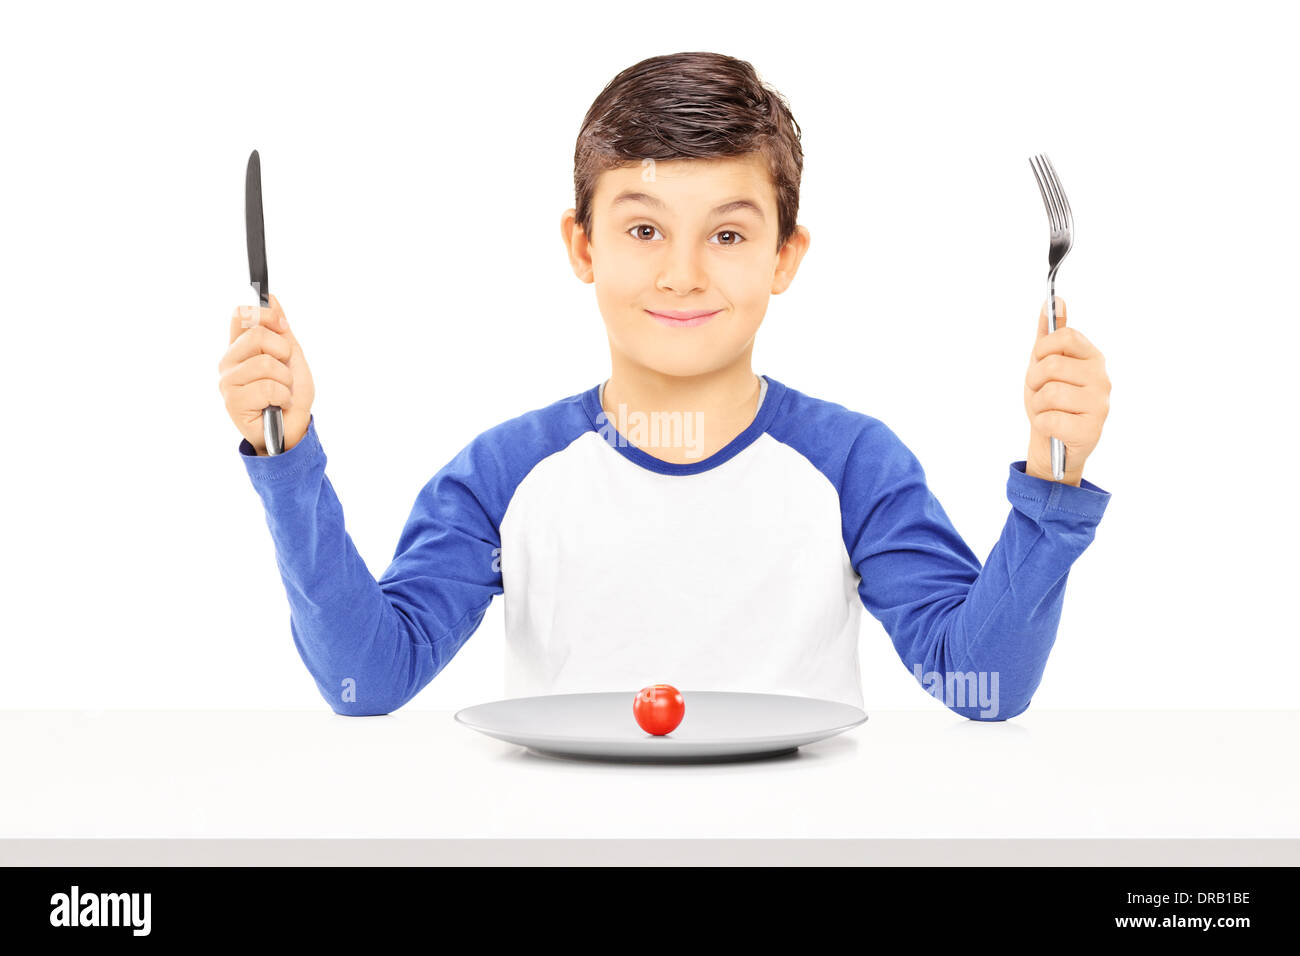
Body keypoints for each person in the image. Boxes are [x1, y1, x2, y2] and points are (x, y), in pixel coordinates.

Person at [216, 51, 1112, 720]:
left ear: (784, 257)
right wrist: (285, 458)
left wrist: (1052, 479)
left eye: (726, 235)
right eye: (644, 230)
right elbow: (367, 678)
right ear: (582, 246)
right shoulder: (504, 473)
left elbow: (982, 682)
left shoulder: (856, 465)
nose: (682, 275)